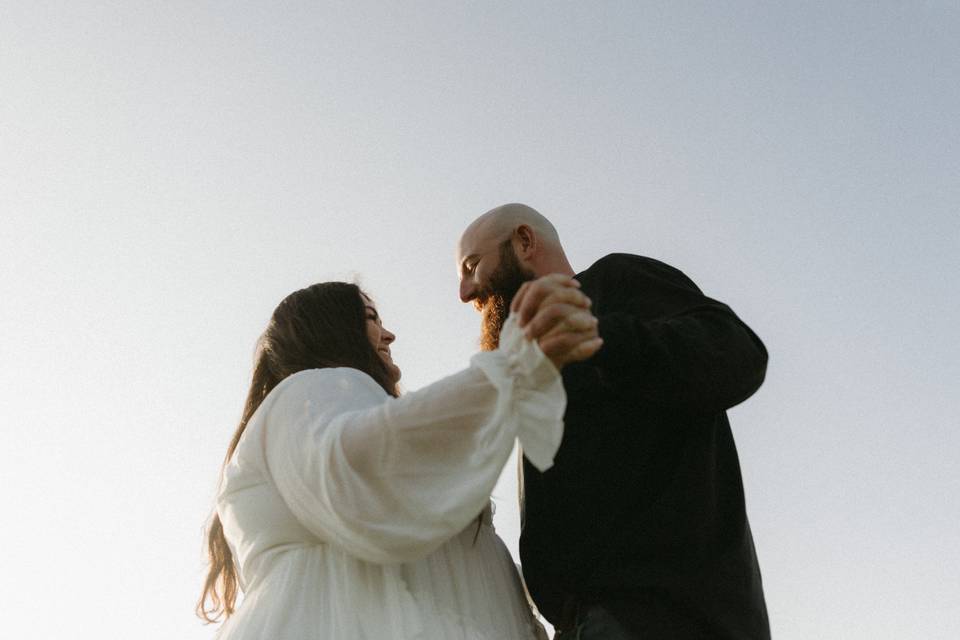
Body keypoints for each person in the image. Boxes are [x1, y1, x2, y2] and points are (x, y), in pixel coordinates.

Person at [197, 280, 602, 639]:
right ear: (332, 328)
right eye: (371, 318)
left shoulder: (316, 406)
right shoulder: (312, 390)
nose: (388, 335)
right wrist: (506, 373)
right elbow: (358, 463)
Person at [457, 204, 771, 639]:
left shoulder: (614, 283)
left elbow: (739, 354)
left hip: (666, 618)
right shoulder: (529, 370)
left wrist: (601, 337)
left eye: (472, 266)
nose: (465, 293)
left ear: (524, 242)